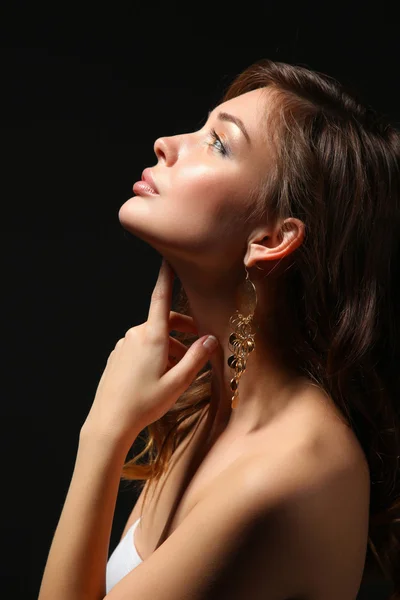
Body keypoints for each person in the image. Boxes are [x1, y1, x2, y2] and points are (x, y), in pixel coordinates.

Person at [39, 59, 400, 600]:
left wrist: (102, 434)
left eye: (218, 144)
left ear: (273, 239)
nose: (166, 142)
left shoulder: (290, 468)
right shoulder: (207, 408)